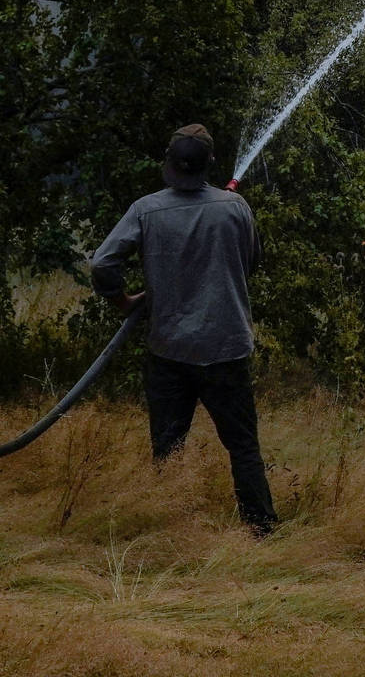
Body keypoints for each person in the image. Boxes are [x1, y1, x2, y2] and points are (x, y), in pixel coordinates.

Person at [89, 123, 278, 535]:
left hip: (169, 350)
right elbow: (251, 264)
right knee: (243, 447)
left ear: (171, 164)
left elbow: (103, 264)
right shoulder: (236, 208)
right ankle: (261, 530)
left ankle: (169, 527)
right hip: (226, 348)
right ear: (209, 163)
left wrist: (124, 302)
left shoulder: (146, 209)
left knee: (168, 449)